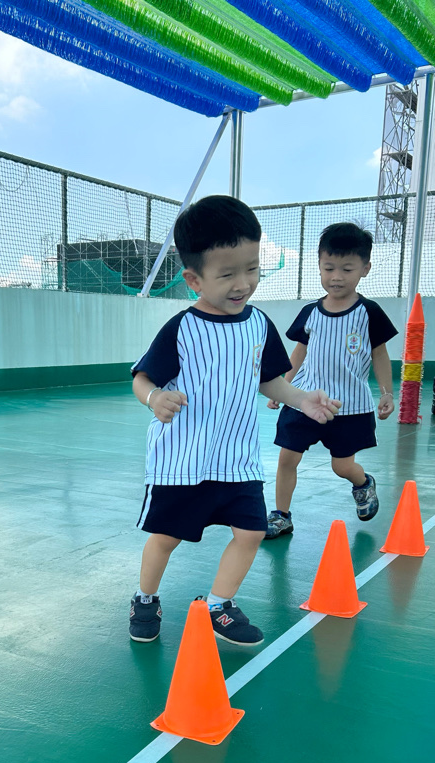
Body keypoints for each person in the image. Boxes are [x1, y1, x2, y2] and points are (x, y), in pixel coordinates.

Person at [129, 195, 340, 646]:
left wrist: (302, 399)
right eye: (227, 275)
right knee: (166, 538)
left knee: (251, 532)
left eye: (252, 268)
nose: (243, 283)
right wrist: (154, 398)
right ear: (194, 279)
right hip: (182, 462)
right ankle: (145, 597)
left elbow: (269, 381)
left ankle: (219, 605)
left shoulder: (258, 324)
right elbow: (141, 378)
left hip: (237, 459)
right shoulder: (182, 329)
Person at [264, 222, 398, 540]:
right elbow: (299, 352)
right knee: (287, 458)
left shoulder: (369, 312)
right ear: (320, 266)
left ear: (365, 269)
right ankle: (281, 515)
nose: (336, 276)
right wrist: (283, 388)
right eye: (329, 268)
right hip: (305, 400)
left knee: (342, 466)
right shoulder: (311, 312)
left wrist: (387, 393)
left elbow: (380, 354)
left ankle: (363, 483)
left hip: (348, 407)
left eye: (347, 269)